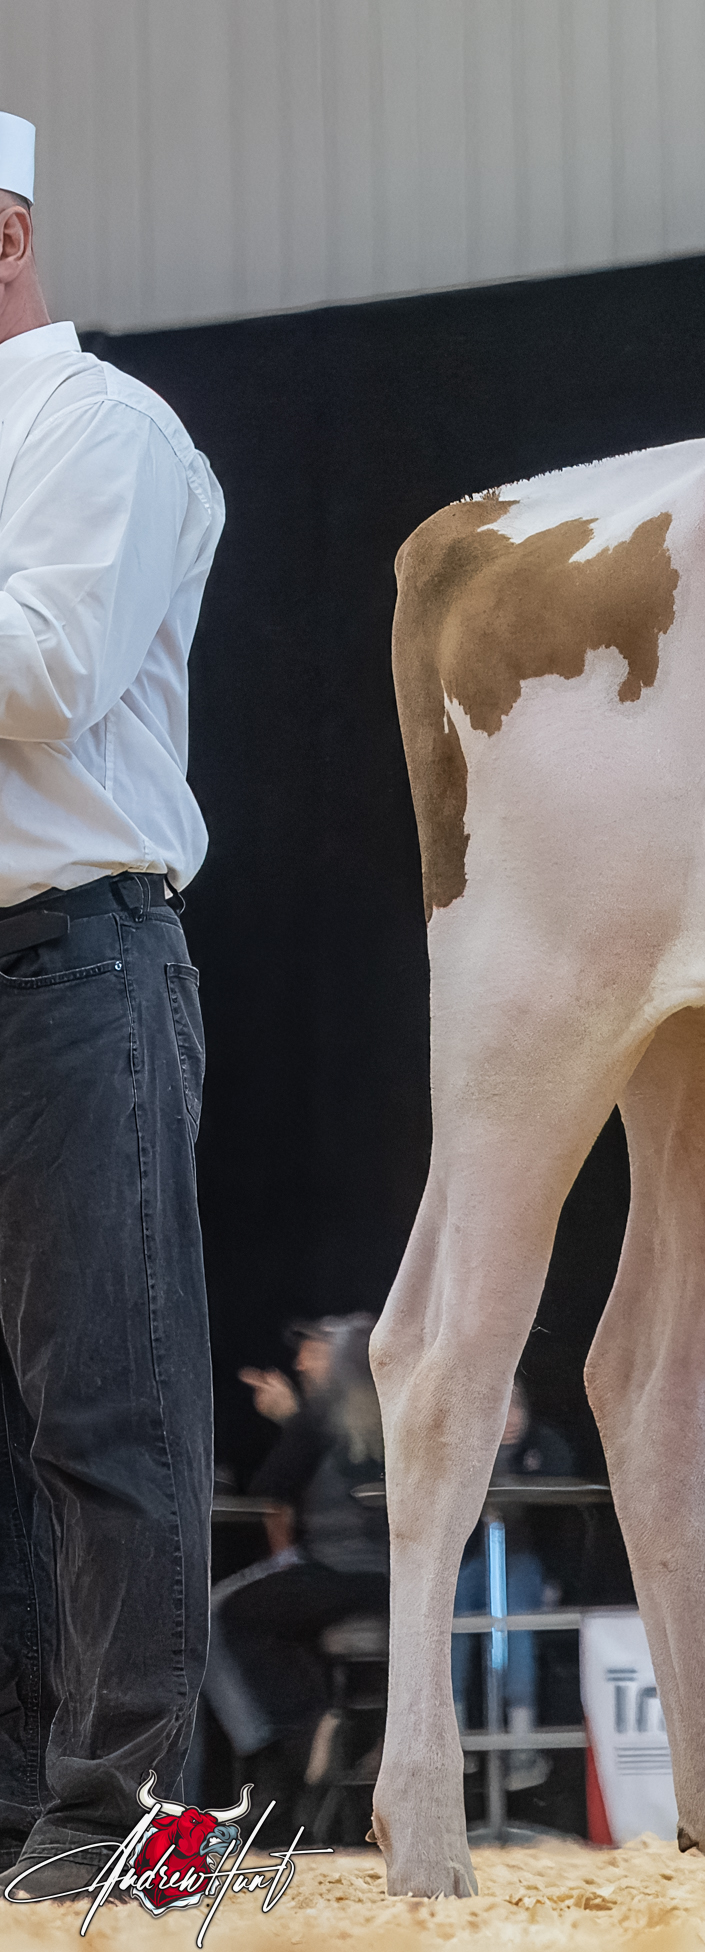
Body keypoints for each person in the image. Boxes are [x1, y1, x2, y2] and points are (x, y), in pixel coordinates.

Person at [0, 109, 228, 1873]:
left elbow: (49, 677)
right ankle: (19, 1813)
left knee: (107, 1408)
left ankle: (126, 1830)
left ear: (5, 240)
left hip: (76, 954)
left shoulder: (101, 429)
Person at [219, 1317, 388, 1815]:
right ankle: (320, 1731)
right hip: (391, 1582)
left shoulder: (320, 1418)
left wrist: (291, 1420)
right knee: (274, 1613)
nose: (298, 1362)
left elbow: (269, 1486)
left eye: (311, 1351)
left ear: (337, 1362)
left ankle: (284, 1745)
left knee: (223, 1616)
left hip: (340, 1575)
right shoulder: (393, 1414)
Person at [452, 1377, 574, 1791]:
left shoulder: (548, 1448)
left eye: (516, 1406)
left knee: (512, 1608)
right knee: (452, 1605)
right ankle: (453, 1737)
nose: (510, 1419)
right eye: (498, 1408)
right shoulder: (461, 1452)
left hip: (526, 1563)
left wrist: (558, 1577)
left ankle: (521, 1743)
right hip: (470, 1561)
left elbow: (567, 1518)